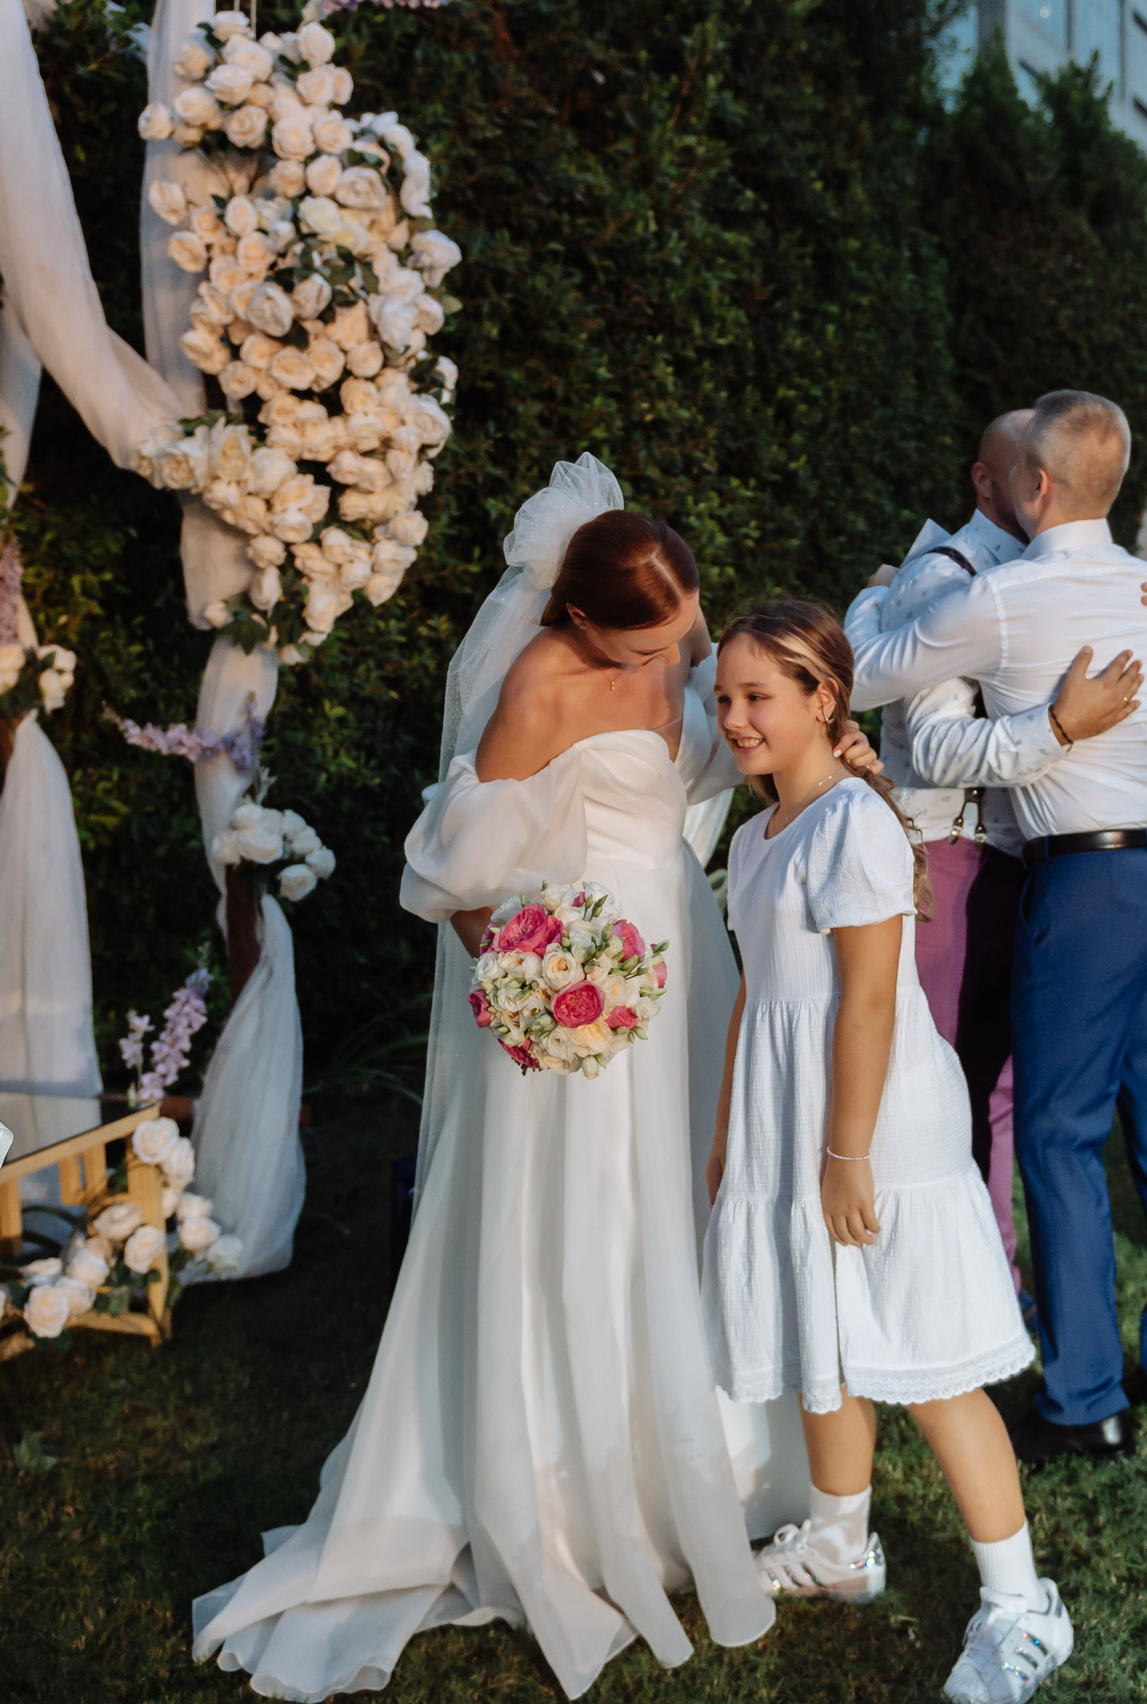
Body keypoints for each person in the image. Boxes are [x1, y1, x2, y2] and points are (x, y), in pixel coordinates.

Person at [191, 457, 777, 1700]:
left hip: (684, 959)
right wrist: (531, 982)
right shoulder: (535, 687)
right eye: (648, 640)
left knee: (680, 1194)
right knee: (579, 1217)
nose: (671, 656)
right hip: (581, 986)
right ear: (575, 622)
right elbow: (454, 880)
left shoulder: (676, 643)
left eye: (682, 628)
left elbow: (716, 765)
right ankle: (562, 1488)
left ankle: (695, 1449)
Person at [846, 390, 1147, 1466]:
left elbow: (866, 672)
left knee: (1057, 1137)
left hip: (1092, 888)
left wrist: (879, 600)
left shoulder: (1007, 598)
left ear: (1040, 485)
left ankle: (1084, 1397)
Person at [700, 601, 1068, 1704]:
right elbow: (755, 999)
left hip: (872, 1125)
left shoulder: (851, 823)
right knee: (822, 1333)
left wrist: (846, 1156)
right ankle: (839, 1543)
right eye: (722, 697)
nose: (732, 718)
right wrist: (732, 1133)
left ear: (825, 700)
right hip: (788, 1116)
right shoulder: (758, 836)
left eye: (756, 696)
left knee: (925, 1359)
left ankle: (1020, 1603)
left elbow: (865, 1003)